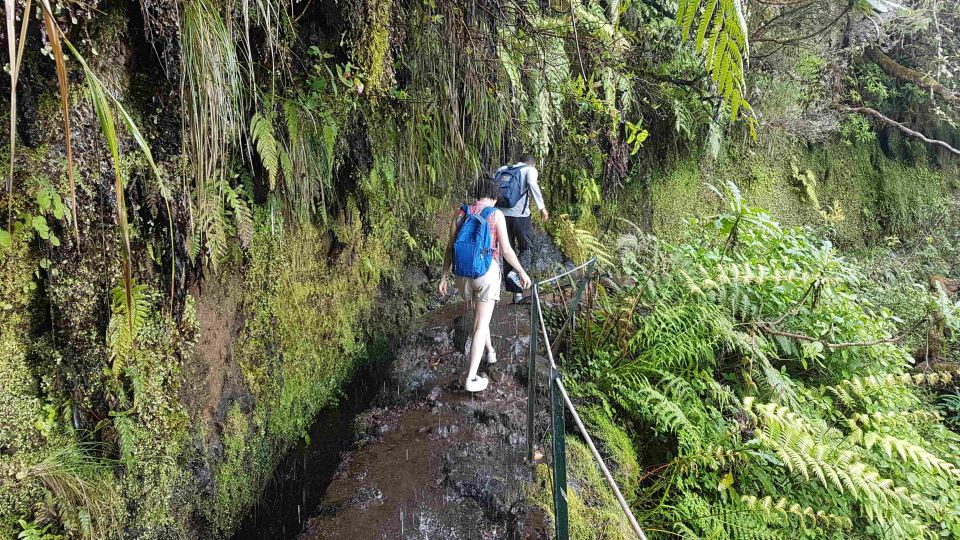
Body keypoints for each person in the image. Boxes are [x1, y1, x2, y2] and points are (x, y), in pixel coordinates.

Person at [439, 177, 532, 393]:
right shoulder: (495, 214)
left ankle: (490, 352)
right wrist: (521, 271)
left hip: (462, 274)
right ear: (494, 195)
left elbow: (449, 247)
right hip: (486, 273)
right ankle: (471, 378)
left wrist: (444, 276)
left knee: (480, 317)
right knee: (480, 324)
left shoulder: (461, 212)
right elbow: (507, 250)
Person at [496, 154, 548, 304]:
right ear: (532, 164)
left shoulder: (502, 169)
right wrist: (542, 208)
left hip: (501, 216)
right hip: (520, 217)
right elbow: (533, 185)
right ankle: (514, 273)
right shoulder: (529, 170)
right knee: (527, 249)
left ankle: (516, 294)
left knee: (508, 251)